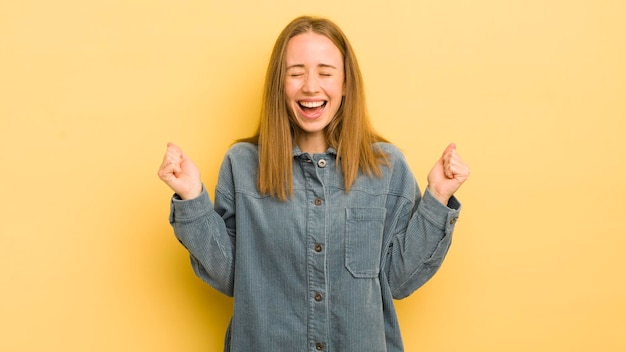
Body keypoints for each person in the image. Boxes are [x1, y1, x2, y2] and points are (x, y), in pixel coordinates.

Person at [158, 15, 469, 352]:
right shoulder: (242, 165)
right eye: (296, 73)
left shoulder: (387, 168)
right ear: (280, 84)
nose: (310, 86)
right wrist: (191, 198)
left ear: (346, 83)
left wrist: (438, 196)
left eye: (325, 72)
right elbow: (232, 276)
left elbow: (399, 280)